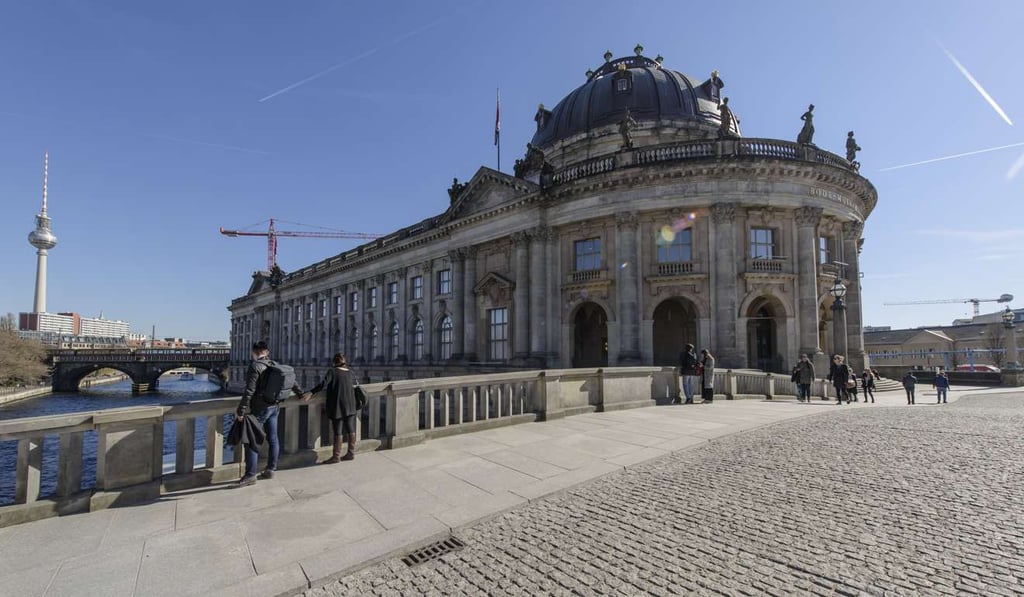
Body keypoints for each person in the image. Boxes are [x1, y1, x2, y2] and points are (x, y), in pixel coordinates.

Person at [235, 341, 301, 486]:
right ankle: (271, 469)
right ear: (267, 352)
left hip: (260, 408)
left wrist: (241, 410)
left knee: (251, 440)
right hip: (274, 406)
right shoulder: (274, 364)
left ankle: (250, 474)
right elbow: (291, 381)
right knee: (273, 439)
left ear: (254, 352)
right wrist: (300, 393)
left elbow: (249, 391)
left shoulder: (255, 366)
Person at [301, 352, 359, 462]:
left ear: (334, 362)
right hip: (350, 404)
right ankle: (351, 453)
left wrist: (311, 392)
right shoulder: (350, 372)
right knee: (351, 429)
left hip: (337, 405)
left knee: (338, 431)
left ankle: (336, 456)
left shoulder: (332, 371)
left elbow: (323, 384)